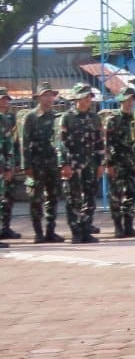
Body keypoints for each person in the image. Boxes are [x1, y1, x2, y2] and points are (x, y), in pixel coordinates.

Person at [56, 83, 104, 243]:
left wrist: (101, 164)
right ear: (77, 98)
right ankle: (76, 232)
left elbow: (99, 142)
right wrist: (64, 164)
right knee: (73, 199)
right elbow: (61, 143)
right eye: (85, 96)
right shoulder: (67, 118)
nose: (88, 99)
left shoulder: (95, 118)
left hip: (90, 164)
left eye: (90, 96)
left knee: (90, 198)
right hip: (73, 164)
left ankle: (86, 229)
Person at [21, 82, 63, 242]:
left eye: (50, 95)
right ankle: (38, 232)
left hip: (53, 164)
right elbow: (25, 142)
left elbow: (60, 141)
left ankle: (50, 231)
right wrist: (26, 165)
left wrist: (61, 162)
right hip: (36, 164)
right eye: (45, 95)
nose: (48, 98)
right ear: (39, 98)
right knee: (35, 199)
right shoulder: (31, 117)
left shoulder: (57, 117)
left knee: (53, 197)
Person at [101, 86, 135, 238]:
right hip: (116, 162)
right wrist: (108, 164)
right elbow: (106, 143)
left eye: (132, 100)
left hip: (132, 162)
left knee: (131, 194)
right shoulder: (113, 119)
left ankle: (129, 226)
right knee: (115, 195)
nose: (130, 102)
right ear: (121, 101)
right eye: (127, 100)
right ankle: (118, 227)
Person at [0, 87, 17, 243]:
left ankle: (4, 228)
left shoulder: (6, 119)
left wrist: (10, 166)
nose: (5, 101)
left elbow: (9, 144)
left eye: (6, 99)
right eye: (2, 99)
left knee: (5, 198)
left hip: (2, 165)